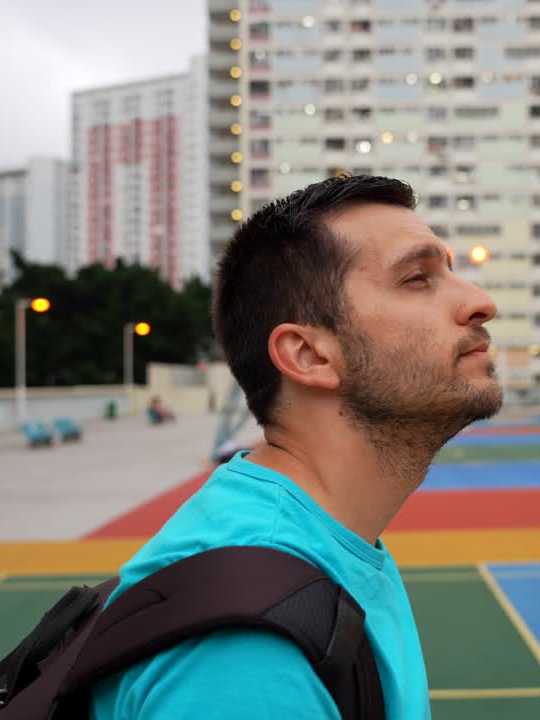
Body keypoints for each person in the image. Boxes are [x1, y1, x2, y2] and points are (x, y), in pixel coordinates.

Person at [91, 175, 503, 718]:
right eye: (417, 278)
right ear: (309, 356)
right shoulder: (245, 649)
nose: (481, 303)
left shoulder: (323, 543)